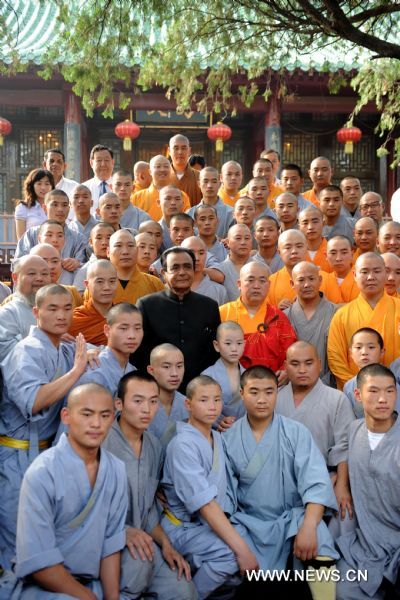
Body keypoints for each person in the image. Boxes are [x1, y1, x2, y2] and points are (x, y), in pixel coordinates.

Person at [223, 366, 338, 599]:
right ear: (242, 392)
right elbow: (223, 497)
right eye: (254, 392)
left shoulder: (296, 432)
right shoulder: (227, 439)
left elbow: (316, 483)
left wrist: (307, 526)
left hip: (291, 519)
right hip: (248, 523)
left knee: (321, 538)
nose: (262, 399)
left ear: (277, 392)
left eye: (269, 392)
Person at [0, 284, 89, 568]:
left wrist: (89, 356)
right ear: (36, 312)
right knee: (19, 543)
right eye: (52, 308)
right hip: (18, 458)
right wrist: (77, 371)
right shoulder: (26, 350)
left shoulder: (61, 347)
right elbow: (34, 400)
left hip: (47, 454)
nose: (61, 315)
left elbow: (87, 351)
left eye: (66, 308)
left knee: (45, 539)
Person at [13, 383, 128, 599]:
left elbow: (111, 545)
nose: (96, 424)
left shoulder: (116, 470)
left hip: (92, 583)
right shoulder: (43, 471)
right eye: (86, 414)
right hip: (45, 587)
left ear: (113, 419)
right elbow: (38, 561)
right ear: (66, 416)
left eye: (104, 416)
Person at [160, 375, 258, 599]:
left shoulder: (217, 437)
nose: (212, 407)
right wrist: (241, 550)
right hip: (183, 526)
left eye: (217, 400)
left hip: (210, 523)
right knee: (233, 555)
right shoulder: (182, 445)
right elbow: (204, 504)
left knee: (257, 544)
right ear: (188, 404)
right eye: (203, 400)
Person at [102, 371, 195, 600]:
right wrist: (122, 531)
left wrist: (166, 545)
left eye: (153, 401)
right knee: (137, 568)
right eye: (138, 401)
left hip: (144, 539)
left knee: (184, 589)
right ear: (119, 404)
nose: (147, 409)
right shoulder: (100, 441)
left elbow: (149, 509)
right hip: (104, 541)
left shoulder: (154, 446)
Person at [336, 364, 400, 600]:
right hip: (367, 540)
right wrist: (341, 483)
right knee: (340, 590)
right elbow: (342, 452)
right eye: (373, 391)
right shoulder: (354, 430)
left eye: (390, 391)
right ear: (358, 395)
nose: (383, 399)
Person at [277, 342, 355, 521]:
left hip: (323, 480)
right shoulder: (275, 397)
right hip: (280, 481)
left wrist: (342, 485)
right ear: (286, 366)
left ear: (319, 364)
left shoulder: (337, 399)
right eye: (295, 364)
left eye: (309, 363)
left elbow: (344, 447)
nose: (302, 369)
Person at [135, 247, 221, 390]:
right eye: (175, 267)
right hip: (157, 389)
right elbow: (139, 353)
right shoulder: (146, 305)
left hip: (200, 390)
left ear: (194, 270)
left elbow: (214, 352)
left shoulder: (209, 306)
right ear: (163, 273)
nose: (182, 272)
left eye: (187, 267)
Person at [328, 252, 400, 389]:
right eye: (364, 272)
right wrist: (359, 387)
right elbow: (335, 358)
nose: (371, 277)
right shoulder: (342, 315)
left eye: (377, 271)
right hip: (356, 393)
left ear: (385, 273)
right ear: (354, 275)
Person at [219, 261, 296, 382]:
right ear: (239, 284)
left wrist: (285, 370)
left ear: (269, 284)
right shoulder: (223, 313)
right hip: (230, 385)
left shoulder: (278, 317)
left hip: (271, 385)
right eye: (250, 280)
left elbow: (291, 351)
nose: (256, 286)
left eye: (262, 281)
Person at [73, 303, 142, 396]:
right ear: (107, 330)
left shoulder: (132, 370)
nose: (132, 336)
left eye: (137, 328)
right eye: (124, 328)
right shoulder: (95, 372)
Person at [285, 261, 338, 382]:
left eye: (311, 279)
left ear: (320, 280)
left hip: (329, 385)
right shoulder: (284, 316)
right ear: (292, 283)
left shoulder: (337, 313)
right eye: (301, 280)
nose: (307, 284)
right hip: (292, 385)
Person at [15, 189, 86, 268]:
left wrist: (77, 263)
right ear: (45, 208)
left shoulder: (78, 238)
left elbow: (86, 266)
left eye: (65, 205)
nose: (60, 209)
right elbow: (17, 264)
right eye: (55, 205)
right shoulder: (31, 234)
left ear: (69, 208)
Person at [0, 255, 51, 363]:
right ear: (15, 278)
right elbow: (7, 355)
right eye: (32, 273)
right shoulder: (7, 313)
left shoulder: (57, 309)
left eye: (45, 274)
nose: (39, 278)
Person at [267, 229, 329, 310]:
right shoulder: (270, 282)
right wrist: (277, 310)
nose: (294, 251)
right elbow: (264, 312)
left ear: (306, 248)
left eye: (299, 246)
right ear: (279, 252)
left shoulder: (325, 278)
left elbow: (339, 310)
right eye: (288, 247)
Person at [202, 321, 245, 431]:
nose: (234, 349)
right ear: (216, 346)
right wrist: (218, 420)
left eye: (239, 343)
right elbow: (201, 407)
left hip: (245, 431)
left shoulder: (248, 374)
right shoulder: (208, 375)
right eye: (228, 343)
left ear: (244, 344)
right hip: (218, 432)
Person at [108, 229, 164, 304]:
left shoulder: (155, 283)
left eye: (130, 246)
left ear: (136, 250)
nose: (125, 251)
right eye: (118, 246)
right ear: (108, 252)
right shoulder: (97, 284)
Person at [147, 344, 188, 446]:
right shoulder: (141, 405)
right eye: (166, 367)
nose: (174, 373)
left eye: (179, 366)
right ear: (151, 370)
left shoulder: (189, 404)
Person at [69, 259, 118, 345]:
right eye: (100, 282)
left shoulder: (124, 316)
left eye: (112, 281)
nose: (107, 287)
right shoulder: (74, 320)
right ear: (87, 285)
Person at [132, 155, 191, 220]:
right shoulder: (137, 197)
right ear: (150, 172)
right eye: (158, 167)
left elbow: (186, 220)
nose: (162, 169)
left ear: (171, 170)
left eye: (166, 166)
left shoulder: (181, 196)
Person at [343, 328, 386, 418]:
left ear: (382, 352)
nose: (364, 352)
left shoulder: (393, 380)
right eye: (358, 347)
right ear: (351, 353)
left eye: (371, 347)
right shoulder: (349, 386)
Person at [29, 243, 83, 307]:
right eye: (43, 261)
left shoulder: (72, 293)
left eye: (55, 261)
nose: (50, 266)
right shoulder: (24, 296)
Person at [187, 166, 233, 238]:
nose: (209, 186)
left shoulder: (231, 213)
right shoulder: (190, 213)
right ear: (199, 184)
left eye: (214, 181)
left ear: (220, 183)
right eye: (205, 181)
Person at [181, 236, 228, 305]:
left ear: (206, 255)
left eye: (201, 253)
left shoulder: (219, 291)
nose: (197, 258)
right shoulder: (172, 289)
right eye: (191, 253)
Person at [73, 221, 114, 293]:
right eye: (99, 238)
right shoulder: (85, 270)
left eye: (109, 238)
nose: (104, 242)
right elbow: (78, 297)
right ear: (91, 242)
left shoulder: (120, 266)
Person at [14, 168, 54, 239]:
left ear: (52, 187)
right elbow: (21, 239)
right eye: (39, 183)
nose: (43, 187)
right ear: (32, 186)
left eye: (47, 184)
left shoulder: (56, 206)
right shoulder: (23, 208)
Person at [218, 224, 254, 301]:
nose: (243, 242)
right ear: (227, 242)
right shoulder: (219, 270)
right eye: (238, 238)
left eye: (247, 238)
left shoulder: (262, 268)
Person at [169, 134, 202, 206]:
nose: (180, 152)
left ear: (189, 150)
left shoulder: (200, 177)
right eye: (176, 148)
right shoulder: (162, 177)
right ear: (169, 151)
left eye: (183, 148)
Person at [325, 235, 360, 303]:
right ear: (326, 255)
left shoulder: (363, 278)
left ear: (352, 254)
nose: (338, 258)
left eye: (344, 253)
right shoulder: (323, 280)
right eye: (333, 253)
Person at [81, 144, 114, 212]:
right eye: (99, 160)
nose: (103, 164)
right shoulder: (83, 188)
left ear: (113, 162)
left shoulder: (120, 187)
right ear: (91, 163)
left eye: (107, 160)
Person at [298, 205, 332, 273]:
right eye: (305, 223)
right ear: (299, 227)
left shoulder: (334, 251)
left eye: (315, 222)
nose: (310, 227)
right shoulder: (295, 253)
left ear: (323, 223)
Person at [158, 185, 185, 250]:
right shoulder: (155, 230)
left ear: (183, 203)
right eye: (168, 199)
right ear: (159, 203)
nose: (173, 203)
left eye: (177, 199)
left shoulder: (193, 230)